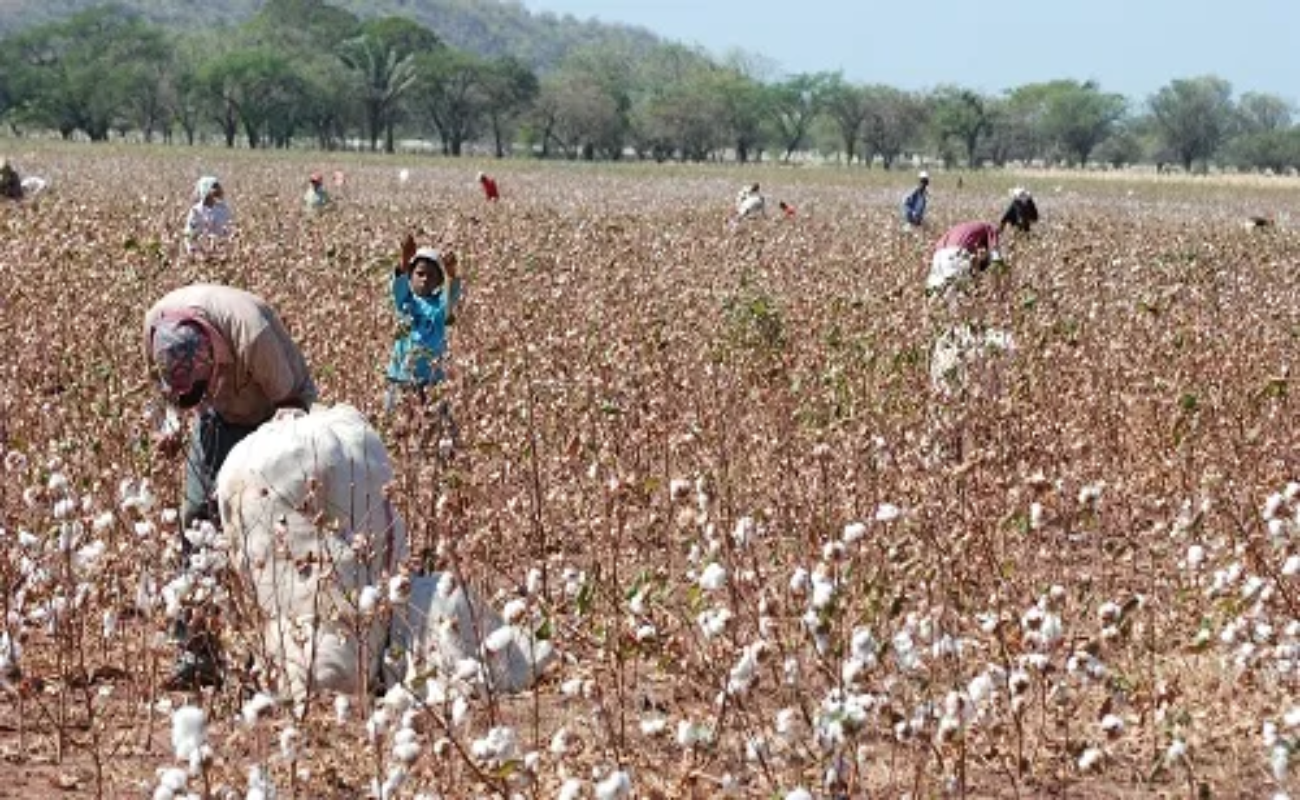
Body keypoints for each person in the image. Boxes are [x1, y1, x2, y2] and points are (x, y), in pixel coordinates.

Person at [143, 284, 317, 688]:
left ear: (215, 360)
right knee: (197, 520)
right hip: (218, 418)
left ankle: (278, 656)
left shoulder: (252, 335)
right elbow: (162, 389)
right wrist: (170, 425)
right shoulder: (156, 326)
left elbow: (289, 402)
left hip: (275, 414)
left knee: (268, 532)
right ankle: (197, 650)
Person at [386, 234, 463, 413]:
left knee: (435, 429)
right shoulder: (405, 300)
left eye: (431, 275)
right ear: (410, 276)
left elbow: (451, 296)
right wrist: (405, 258)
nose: (425, 279)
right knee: (396, 428)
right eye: (420, 274)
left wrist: (451, 273)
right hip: (400, 379)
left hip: (431, 382)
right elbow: (398, 285)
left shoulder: (440, 306)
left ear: (439, 281)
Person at [927, 221, 1004, 295]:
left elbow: (975, 260)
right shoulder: (992, 229)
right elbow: (996, 259)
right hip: (956, 254)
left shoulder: (967, 228)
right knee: (954, 298)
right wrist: (1002, 277)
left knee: (935, 294)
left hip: (938, 256)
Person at [184, 176, 233, 253]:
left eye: (217, 187)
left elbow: (229, 229)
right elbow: (190, 234)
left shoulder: (223, 208)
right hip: (201, 252)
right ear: (205, 189)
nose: (216, 190)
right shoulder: (196, 211)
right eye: (213, 187)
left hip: (222, 251)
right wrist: (193, 250)